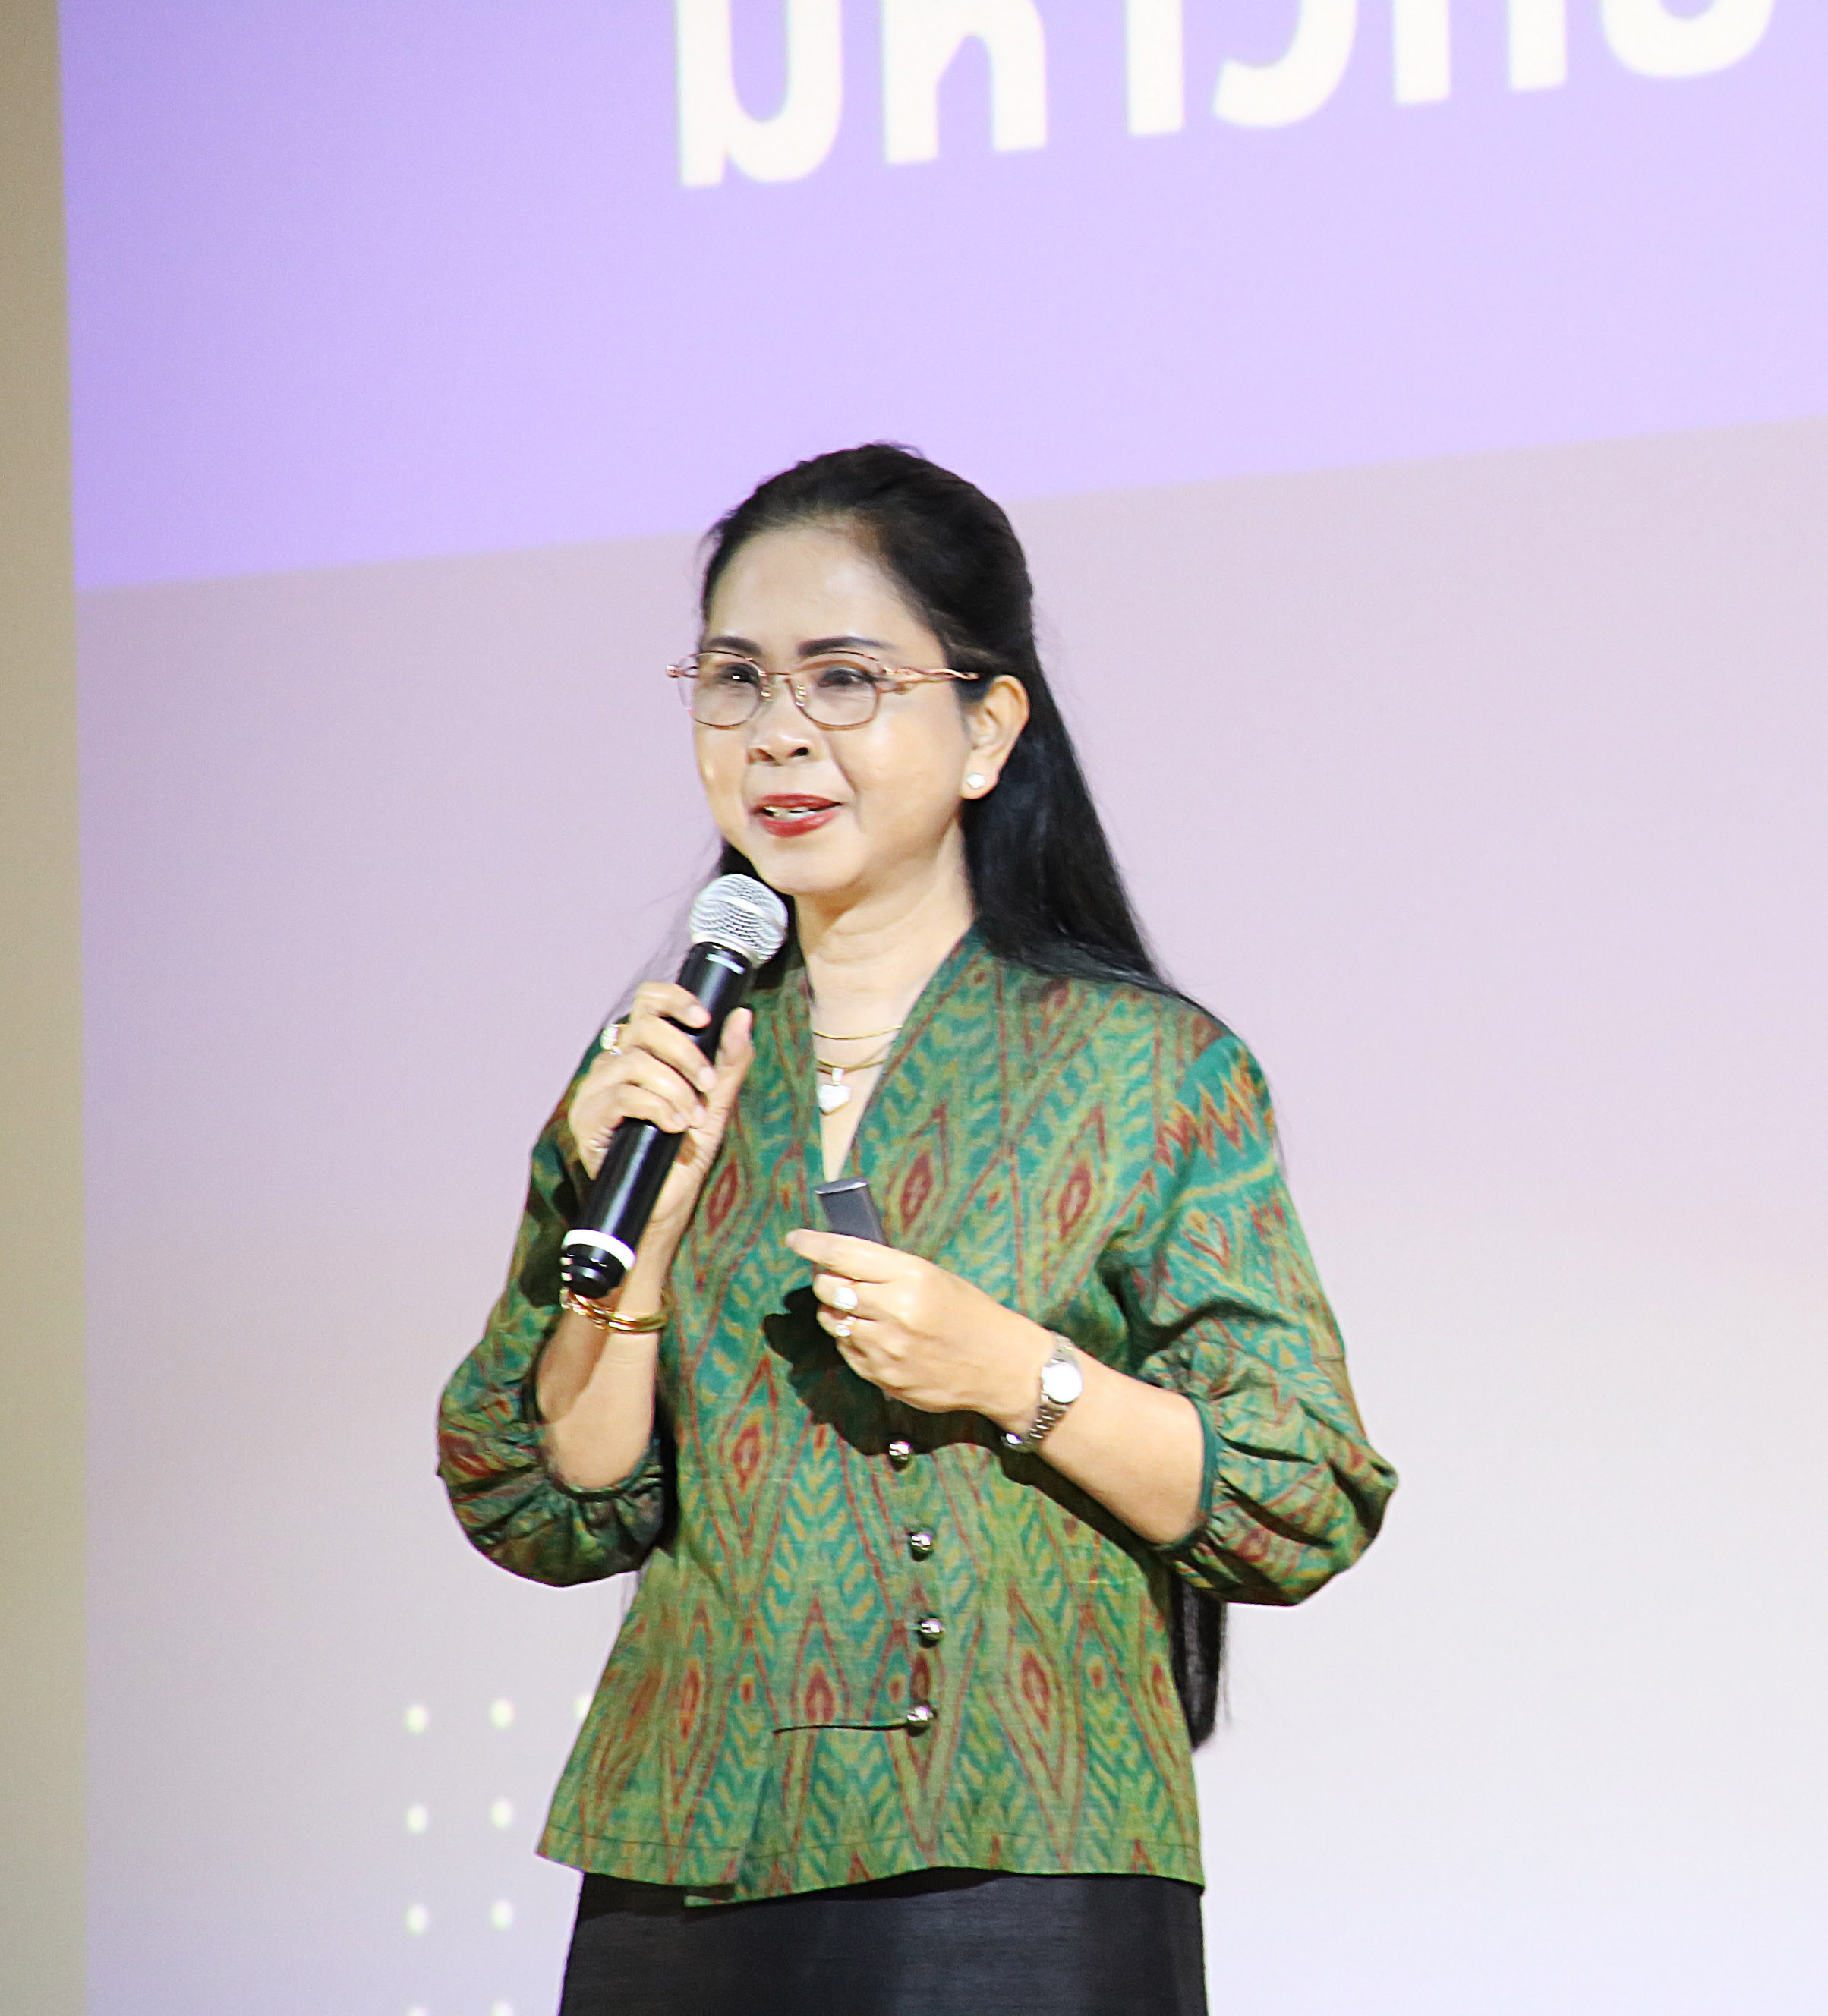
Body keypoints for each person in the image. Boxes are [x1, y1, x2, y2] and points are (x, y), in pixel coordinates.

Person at [437, 443, 1392, 2014]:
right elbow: (552, 1502)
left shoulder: (1143, 1069)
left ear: (986, 727)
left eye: (845, 678)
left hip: (1025, 1852)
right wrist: (638, 1258)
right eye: (734, 680)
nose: (779, 731)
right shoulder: (659, 1071)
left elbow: (1299, 1494)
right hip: (688, 1856)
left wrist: (1015, 1370)